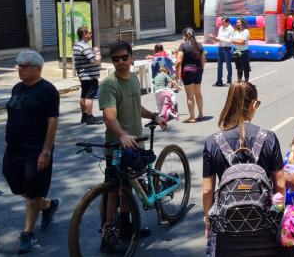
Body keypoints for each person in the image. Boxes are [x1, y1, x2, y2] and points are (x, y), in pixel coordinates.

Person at [202, 82, 293, 257]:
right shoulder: (269, 138)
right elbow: (280, 185)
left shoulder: (212, 142)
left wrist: (208, 220)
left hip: (227, 231)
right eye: (257, 104)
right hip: (264, 229)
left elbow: (207, 190)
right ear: (252, 105)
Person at [98, 41, 167, 252]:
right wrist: (122, 135)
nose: (120, 62)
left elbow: (136, 106)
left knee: (128, 186)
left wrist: (154, 115)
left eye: (123, 57)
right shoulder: (109, 85)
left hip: (134, 143)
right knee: (112, 191)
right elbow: (109, 117)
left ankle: (126, 226)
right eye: (116, 59)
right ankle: (107, 235)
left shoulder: (134, 78)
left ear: (131, 58)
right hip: (117, 146)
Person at [3, 51, 61, 254]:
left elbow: (52, 122)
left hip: (36, 150)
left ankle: (28, 233)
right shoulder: (17, 88)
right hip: (13, 148)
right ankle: (47, 205)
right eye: (18, 65)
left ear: (38, 68)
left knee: (34, 189)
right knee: (15, 184)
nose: (20, 69)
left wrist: (46, 151)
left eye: (25, 66)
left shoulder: (48, 90)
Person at [73, 27, 103, 125]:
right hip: (89, 75)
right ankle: (90, 117)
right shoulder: (84, 46)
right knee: (89, 96)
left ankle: (84, 116)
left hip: (83, 74)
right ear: (84, 34)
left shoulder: (77, 45)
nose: (91, 35)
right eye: (89, 33)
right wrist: (98, 56)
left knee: (84, 95)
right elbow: (93, 60)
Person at [177, 28, 206, 123]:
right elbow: (203, 61)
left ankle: (192, 117)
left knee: (189, 96)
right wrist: (201, 70)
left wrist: (177, 70)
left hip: (187, 71)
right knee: (198, 93)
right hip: (198, 70)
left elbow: (179, 60)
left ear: (185, 36)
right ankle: (201, 114)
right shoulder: (200, 45)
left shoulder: (183, 46)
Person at [214, 17, 235, 86]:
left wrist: (220, 38)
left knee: (228, 65)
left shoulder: (231, 29)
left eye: (224, 22)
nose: (222, 23)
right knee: (219, 65)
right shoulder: (220, 28)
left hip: (227, 48)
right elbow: (219, 38)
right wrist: (214, 38)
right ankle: (219, 80)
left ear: (228, 22)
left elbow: (230, 41)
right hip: (220, 47)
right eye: (222, 22)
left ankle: (229, 81)